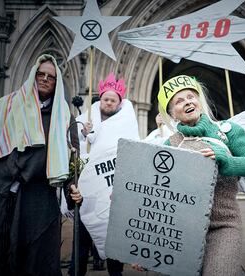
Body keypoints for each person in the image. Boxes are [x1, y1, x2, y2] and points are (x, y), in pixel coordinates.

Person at [0, 54, 82, 275]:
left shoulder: (64, 117)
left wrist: (72, 190)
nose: (44, 79)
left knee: (34, 265)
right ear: (33, 76)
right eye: (40, 74)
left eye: (51, 77)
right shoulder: (5, 106)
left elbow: (71, 165)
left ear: (57, 83)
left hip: (38, 204)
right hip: (0, 198)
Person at [157, 74, 245, 275]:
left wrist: (227, 161)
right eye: (179, 101)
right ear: (172, 113)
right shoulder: (169, 146)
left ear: (199, 101)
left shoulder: (228, 131)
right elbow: (157, 191)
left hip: (224, 226)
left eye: (191, 96)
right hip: (181, 231)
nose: (187, 102)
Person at [75, 72, 140, 276]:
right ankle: (77, 271)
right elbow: (72, 142)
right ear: (100, 99)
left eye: (113, 100)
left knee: (113, 234)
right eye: (106, 99)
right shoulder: (85, 119)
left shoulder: (126, 121)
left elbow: (133, 150)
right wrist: (83, 133)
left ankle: (116, 272)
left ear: (119, 103)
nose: (109, 102)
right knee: (82, 235)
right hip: (87, 189)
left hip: (112, 187)